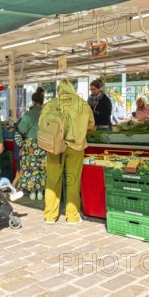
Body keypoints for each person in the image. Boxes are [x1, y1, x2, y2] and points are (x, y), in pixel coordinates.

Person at [43, 80, 95, 225]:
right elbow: (91, 124)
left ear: (59, 90)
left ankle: (50, 216)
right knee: (73, 180)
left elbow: (42, 124)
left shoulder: (51, 104)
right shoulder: (82, 104)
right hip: (76, 146)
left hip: (55, 147)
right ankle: (72, 216)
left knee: (53, 179)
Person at [16, 88, 47, 200]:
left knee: (30, 168)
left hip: (31, 145)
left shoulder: (28, 114)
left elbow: (22, 128)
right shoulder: (46, 114)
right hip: (44, 143)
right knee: (41, 168)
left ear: (33, 101)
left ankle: (32, 192)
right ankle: (41, 192)